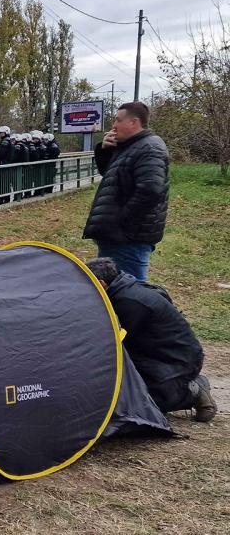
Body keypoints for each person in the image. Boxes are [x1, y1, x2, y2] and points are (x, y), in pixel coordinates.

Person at [86, 258, 216, 421]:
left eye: (88, 284)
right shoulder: (122, 288)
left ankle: (193, 391)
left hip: (177, 359)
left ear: (101, 283)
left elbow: (115, 343)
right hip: (152, 352)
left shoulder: (129, 302)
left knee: (139, 403)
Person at [83, 102, 169, 281]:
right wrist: (105, 151)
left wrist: (121, 225)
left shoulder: (149, 148)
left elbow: (150, 191)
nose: (113, 125)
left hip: (128, 239)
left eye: (118, 120)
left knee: (129, 291)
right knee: (113, 288)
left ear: (133, 123)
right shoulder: (131, 146)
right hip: (117, 237)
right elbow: (112, 176)